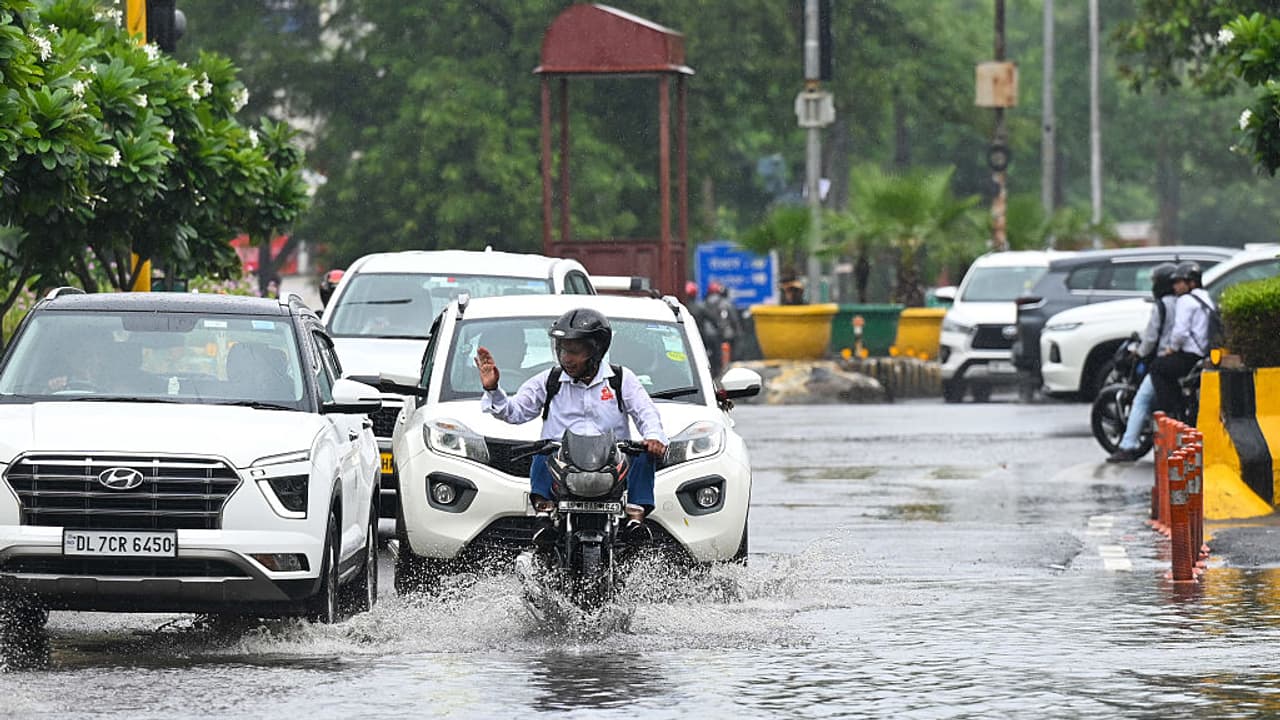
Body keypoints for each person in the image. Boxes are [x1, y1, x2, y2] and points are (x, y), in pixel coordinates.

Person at [474, 308, 668, 549]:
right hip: (562, 467)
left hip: (611, 466)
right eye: (563, 350)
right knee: (542, 450)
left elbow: (646, 412)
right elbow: (514, 412)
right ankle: (543, 515)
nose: (567, 358)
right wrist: (493, 389)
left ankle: (635, 518)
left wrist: (653, 438)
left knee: (642, 453)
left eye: (575, 351)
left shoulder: (621, 379)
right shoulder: (549, 380)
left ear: (596, 350)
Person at [1107, 263, 1178, 463]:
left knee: (1141, 400)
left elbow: (1151, 338)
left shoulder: (1162, 306)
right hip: (1181, 359)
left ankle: (1127, 446)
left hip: (1163, 361)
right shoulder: (1182, 302)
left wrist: (1138, 353)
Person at [1148, 261, 1213, 420]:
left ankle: (1171, 411)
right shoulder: (1206, 297)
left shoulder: (1185, 300)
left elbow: (1180, 332)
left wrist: (1171, 348)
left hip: (1190, 355)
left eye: (1178, 282)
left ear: (1191, 283)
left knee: (1157, 367)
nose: (1175, 287)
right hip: (1204, 354)